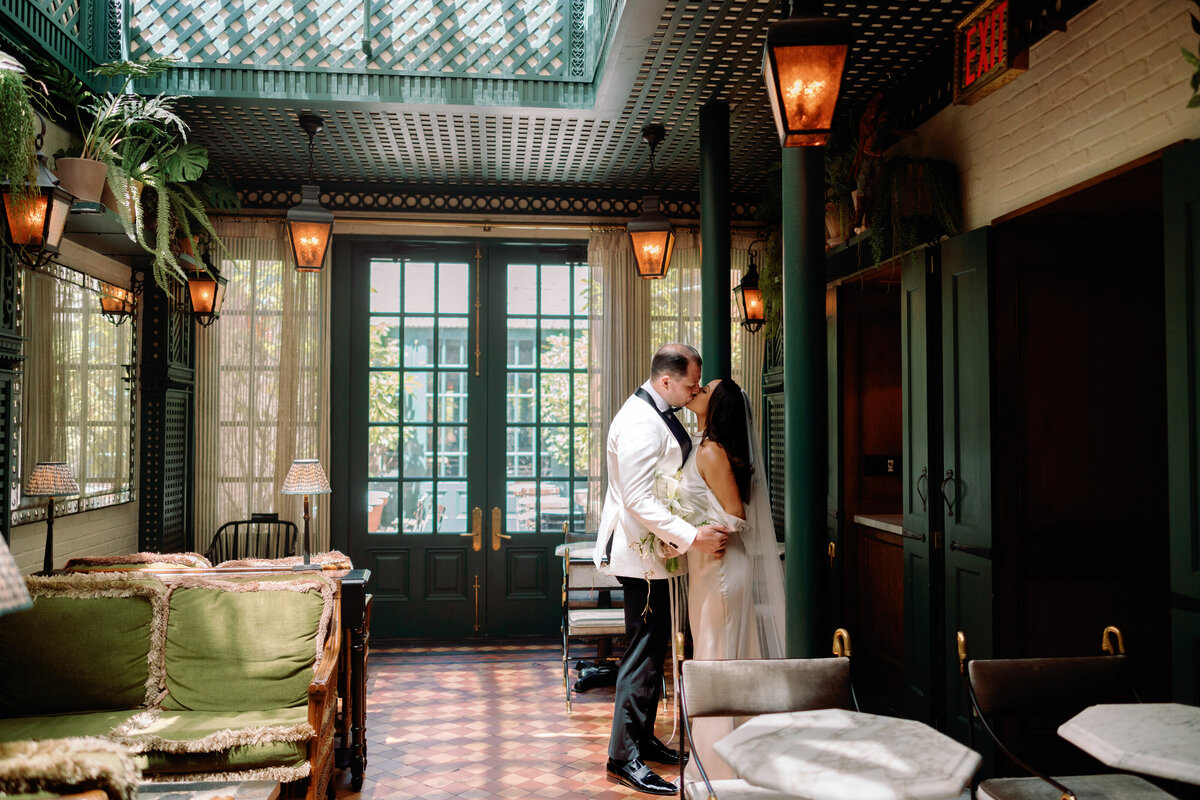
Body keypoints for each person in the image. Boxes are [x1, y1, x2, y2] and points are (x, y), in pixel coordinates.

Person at [595, 343, 729, 796]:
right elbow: (637, 498)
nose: (695, 390)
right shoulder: (639, 421)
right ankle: (622, 757)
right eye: (692, 383)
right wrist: (692, 536)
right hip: (642, 557)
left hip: (658, 554)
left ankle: (643, 739)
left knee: (654, 653)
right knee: (642, 654)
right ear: (666, 381)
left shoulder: (661, 410)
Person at [679, 377, 787, 782]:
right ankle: (734, 757)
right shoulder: (703, 446)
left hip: (721, 566)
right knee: (718, 655)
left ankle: (718, 768)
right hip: (707, 567)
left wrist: (693, 532)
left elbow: (735, 514)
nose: (697, 391)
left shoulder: (711, 451)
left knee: (717, 660)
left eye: (705, 390)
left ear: (718, 406)